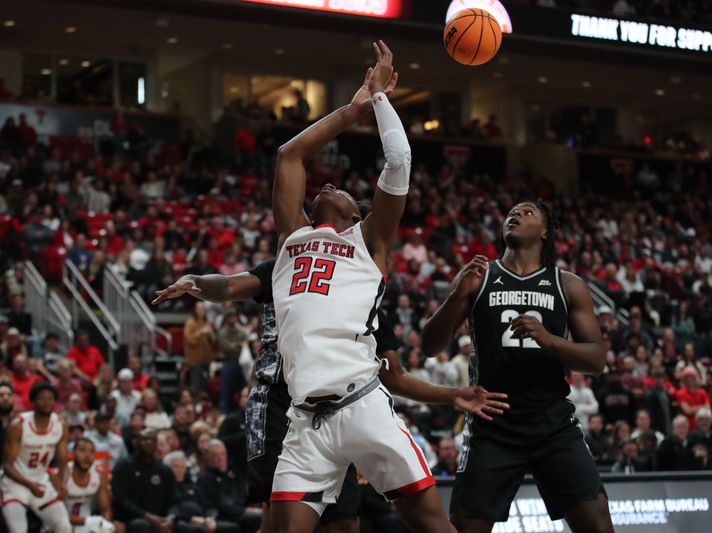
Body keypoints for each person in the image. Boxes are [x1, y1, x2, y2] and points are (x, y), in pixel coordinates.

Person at [154, 41, 505, 533]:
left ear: (355, 214)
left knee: (428, 521)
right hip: (303, 421)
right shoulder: (291, 238)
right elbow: (289, 154)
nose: (328, 184)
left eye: (339, 188)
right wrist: (353, 107)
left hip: (360, 403)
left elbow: (399, 160)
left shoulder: (369, 241)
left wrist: (380, 99)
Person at [422, 199, 614, 532]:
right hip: (492, 422)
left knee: (597, 525)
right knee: (467, 528)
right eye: (512, 212)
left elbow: (596, 360)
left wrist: (550, 339)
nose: (515, 215)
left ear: (545, 231)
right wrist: (456, 296)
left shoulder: (567, 283)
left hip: (552, 421)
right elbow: (429, 346)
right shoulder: (478, 277)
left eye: (527, 213)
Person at [1, 381, 71, 533]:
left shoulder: (60, 424)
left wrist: (62, 484)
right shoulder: (18, 425)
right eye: (42, 398)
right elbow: (7, 466)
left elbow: (63, 462)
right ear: (33, 401)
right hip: (15, 484)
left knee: (64, 527)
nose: (47, 402)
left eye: (50, 398)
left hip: (41, 481)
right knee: (18, 530)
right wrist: (30, 485)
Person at [111, 428, 176, 533]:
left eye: (152, 440)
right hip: (132, 518)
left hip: (161, 519)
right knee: (141, 526)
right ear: (136, 443)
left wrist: (170, 518)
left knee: (187, 528)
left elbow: (173, 500)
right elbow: (120, 500)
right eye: (145, 439)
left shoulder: (165, 470)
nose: (149, 442)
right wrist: (147, 516)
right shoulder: (124, 466)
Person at [197, 439, 261, 533]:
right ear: (207, 459)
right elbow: (223, 505)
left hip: (242, 510)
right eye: (215, 455)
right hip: (224, 516)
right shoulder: (205, 479)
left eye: (222, 454)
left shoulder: (233, 472)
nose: (220, 458)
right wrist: (248, 510)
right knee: (254, 519)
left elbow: (245, 494)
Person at [65, 437, 117, 533]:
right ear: (72, 454)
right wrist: (89, 521)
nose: (87, 455)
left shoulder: (100, 475)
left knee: (115, 528)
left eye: (92, 452)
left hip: (86, 524)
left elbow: (105, 509)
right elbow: (57, 514)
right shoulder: (62, 475)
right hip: (61, 523)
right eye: (82, 450)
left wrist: (105, 524)